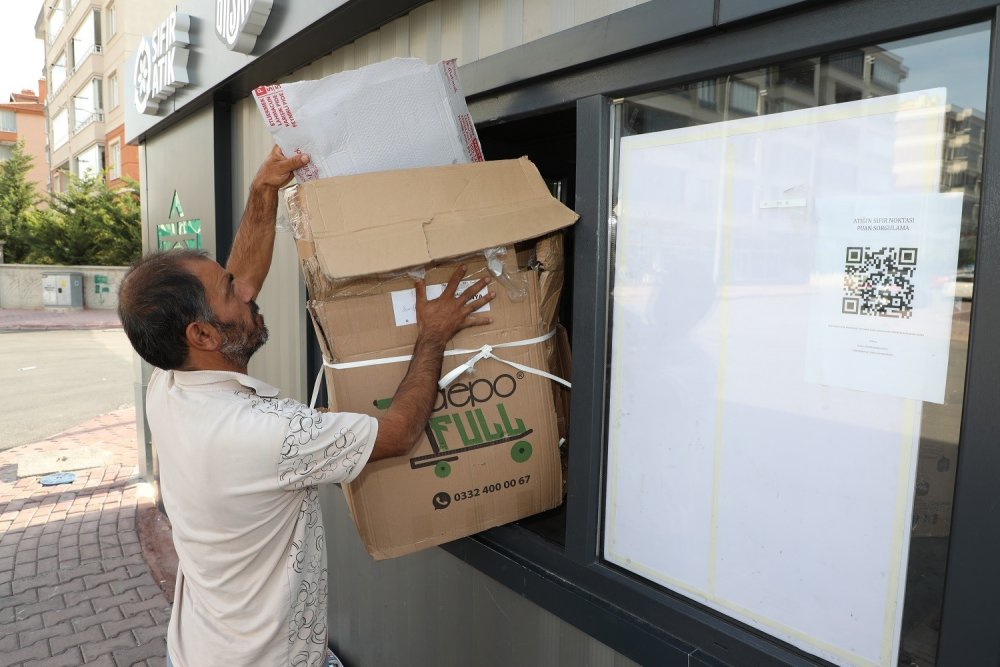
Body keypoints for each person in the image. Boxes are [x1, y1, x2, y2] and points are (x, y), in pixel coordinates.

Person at [117, 146, 495, 667]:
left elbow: (243, 277)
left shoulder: (169, 384)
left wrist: (263, 192)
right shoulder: (270, 433)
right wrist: (432, 334)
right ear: (202, 333)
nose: (248, 294)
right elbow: (399, 432)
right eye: (230, 293)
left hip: (202, 648)